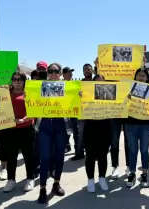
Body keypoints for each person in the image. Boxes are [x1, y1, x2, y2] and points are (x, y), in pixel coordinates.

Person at [37, 63, 73, 203]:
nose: (53, 74)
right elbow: (32, 102)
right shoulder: (39, 87)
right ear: (47, 72)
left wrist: (78, 96)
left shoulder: (68, 87)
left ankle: (56, 184)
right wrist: (28, 96)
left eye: (56, 71)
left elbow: (73, 103)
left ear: (60, 73)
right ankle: (42, 188)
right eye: (50, 71)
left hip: (61, 125)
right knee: (45, 157)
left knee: (59, 156)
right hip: (45, 125)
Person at [2, 72, 36, 193]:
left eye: (20, 80)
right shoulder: (6, 94)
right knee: (11, 156)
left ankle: (30, 178)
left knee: (28, 155)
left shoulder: (29, 94)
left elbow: (35, 110)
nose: (17, 82)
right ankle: (11, 180)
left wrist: (23, 119)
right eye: (14, 79)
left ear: (24, 81)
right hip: (11, 130)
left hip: (26, 128)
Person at [124, 68, 149, 188]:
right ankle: (132, 173)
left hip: (146, 124)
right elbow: (122, 104)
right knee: (132, 150)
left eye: (143, 75)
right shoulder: (128, 88)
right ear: (135, 77)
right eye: (139, 75)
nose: (141, 77)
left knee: (144, 150)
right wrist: (127, 98)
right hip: (130, 123)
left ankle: (145, 174)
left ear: (147, 78)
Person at [82, 74, 112, 192]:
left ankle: (102, 178)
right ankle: (90, 180)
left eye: (102, 82)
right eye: (97, 82)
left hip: (105, 127)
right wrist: (80, 97)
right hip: (90, 127)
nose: (100, 84)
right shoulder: (87, 94)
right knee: (90, 155)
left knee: (103, 155)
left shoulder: (110, 94)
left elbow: (120, 103)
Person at [70, 63, 94, 161]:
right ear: (83, 71)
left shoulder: (96, 82)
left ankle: (93, 153)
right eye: (85, 69)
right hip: (82, 113)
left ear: (92, 70)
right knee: (81, 134)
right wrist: (78, 94)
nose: (87, 71)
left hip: (95, 113)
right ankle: (80, 153)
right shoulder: (79, 84)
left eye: (88, 69)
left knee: (93, 134)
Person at [62, 67, 79, 153]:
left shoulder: (75, 84)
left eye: (71, 73)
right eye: (68, 73)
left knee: (75, 131)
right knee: (65, 131)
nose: (70, 74)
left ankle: (78, 151)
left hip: (73, 112)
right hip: (63, 112)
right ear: (63, 74)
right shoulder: (59, 85)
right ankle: (67, 146)